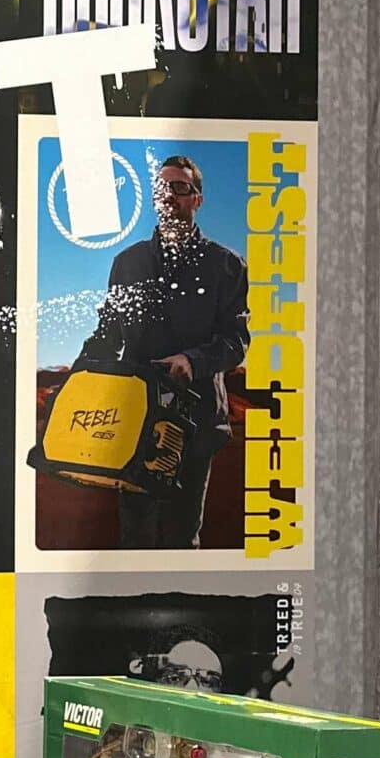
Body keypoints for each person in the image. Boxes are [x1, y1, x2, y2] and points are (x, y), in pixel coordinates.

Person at [71, 154, 251, 549]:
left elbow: (236, 341)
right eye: (162, 188)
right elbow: (107, 334)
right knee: (134, 537)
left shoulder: (226, 265)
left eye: (180, 188)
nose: (169, 195)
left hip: (196, 423)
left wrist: (192, 362)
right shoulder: (127, 263)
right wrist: (77, 381)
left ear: (197, 199)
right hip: (134, 422)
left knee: (183, 538)